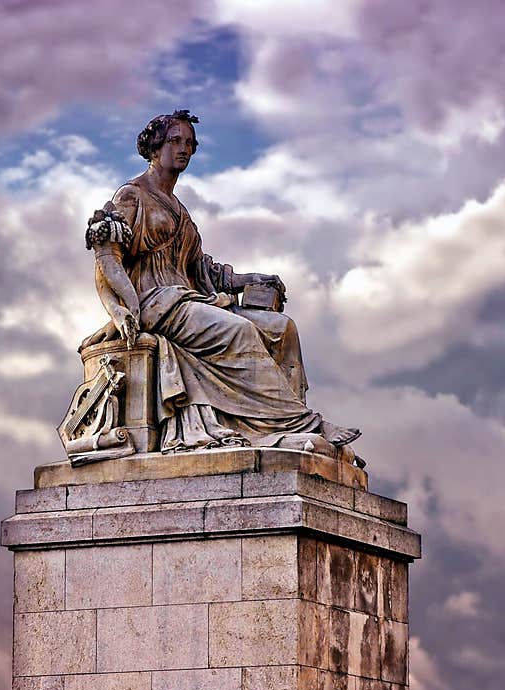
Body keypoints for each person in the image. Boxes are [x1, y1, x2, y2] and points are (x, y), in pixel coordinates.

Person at [79, 110, 360, 453]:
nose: (184, 149)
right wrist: (118, 309)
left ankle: (271, 426)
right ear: (155, 147)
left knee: (282, 327)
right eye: (175, 141)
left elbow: (204, 270)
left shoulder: (180, 209)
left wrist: (249, 279)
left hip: (190, 298)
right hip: (156, 303)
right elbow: (106, 257)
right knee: (238, 331)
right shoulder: (132, 195)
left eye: (189, 143)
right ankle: (304, 424)